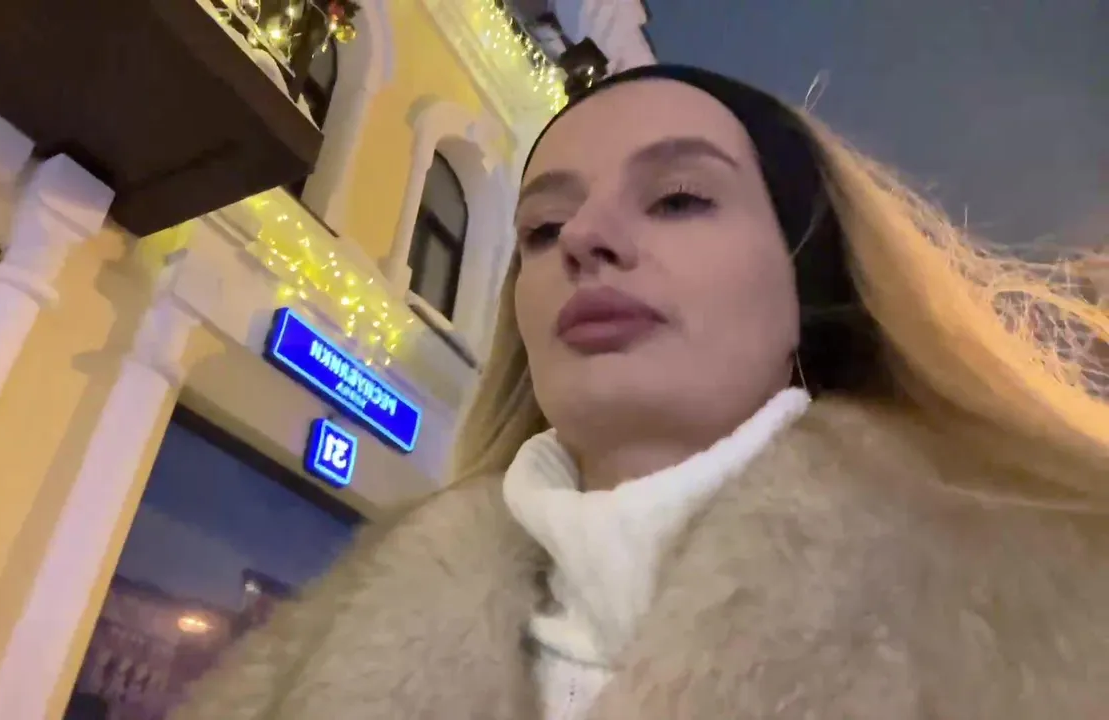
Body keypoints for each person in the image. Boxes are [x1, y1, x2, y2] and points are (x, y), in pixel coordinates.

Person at [172, 65, 1109, 719]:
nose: (583, 239)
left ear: (808, 280)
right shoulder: (299, 673)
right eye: (542, 228)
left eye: (677, 199)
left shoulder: (1060, 629)